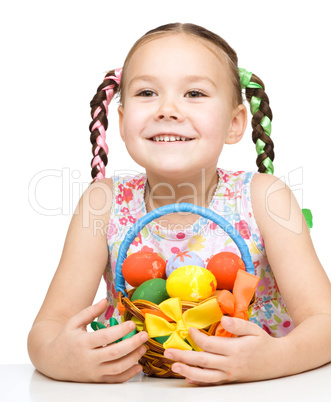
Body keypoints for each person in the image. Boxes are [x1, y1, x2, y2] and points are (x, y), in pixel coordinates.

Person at [27, 22, 331, 385]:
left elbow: (324, 321)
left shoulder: (265, 197)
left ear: (235, 123)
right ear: (122, 123)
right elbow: (47, 328)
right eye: (147, 92)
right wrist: (58, 356)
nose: (167, 109)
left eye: (195, 93)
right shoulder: (103, 201)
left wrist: (273, 359)